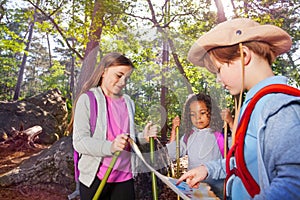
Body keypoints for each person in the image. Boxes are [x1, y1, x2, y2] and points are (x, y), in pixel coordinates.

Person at [177, 18, 300, 199]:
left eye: (219, 70)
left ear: (244, 55)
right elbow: (246, 162)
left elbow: (293, 183)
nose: (218, 79)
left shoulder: (277, 107)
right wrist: (207, 169)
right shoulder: (254, 104)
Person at [69, 52, 158, 200]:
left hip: (124, 177)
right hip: (96, 178)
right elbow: (80, 142)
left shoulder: (128, 102)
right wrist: (110, 147)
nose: (123, 82)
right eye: (119, 75)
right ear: (103, 72)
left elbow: (127, 138)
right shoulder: (88, 99)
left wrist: (143, 137)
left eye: (126, 78)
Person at [166, 93, 224, 198]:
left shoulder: (219, 135)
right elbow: (172, 153)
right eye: (193, 114)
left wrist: (231, 123)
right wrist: (174, 130)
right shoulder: (189, 135)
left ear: (211, 112)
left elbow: (234, 158)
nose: (198, 118)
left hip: (217, 190)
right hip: (194, 188)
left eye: (202, 113)